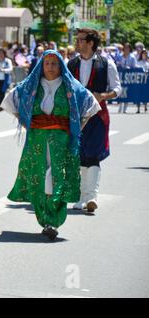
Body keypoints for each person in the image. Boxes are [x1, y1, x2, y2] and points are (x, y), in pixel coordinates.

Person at [2, 50, 101, 240]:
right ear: (41, 65)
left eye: (54, 63)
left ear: (60, 66)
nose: (50, 67)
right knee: (39, 178)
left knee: (57, 178)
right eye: (46, 63)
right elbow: (10, 102)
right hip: (37, 142)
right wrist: (28, 124)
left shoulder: (71, 87)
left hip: (61, 143)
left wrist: (75, 129)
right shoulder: (31, 86)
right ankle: (44, 219)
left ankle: (52, 221)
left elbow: (91, 106)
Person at [68, 28, 121, 213]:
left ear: (91, 43)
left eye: (81, 39)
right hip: (76, 116)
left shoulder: (106, 63)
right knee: (80, 156)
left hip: (98, 116)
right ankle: (83, 197)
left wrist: (103, 95)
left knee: (93, 155)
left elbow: (117, 89)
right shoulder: (72, 63)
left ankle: (92, 197)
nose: (77, 42)